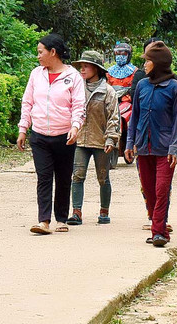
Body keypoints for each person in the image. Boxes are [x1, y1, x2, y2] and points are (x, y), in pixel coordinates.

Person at [17, 33, 85, 235]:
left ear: (53, 52)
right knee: (44, 177)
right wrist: (23, 128)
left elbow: (79, 105)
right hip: (39, 136)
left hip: (64, 136)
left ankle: (61, 218)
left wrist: (75, 127)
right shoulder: (36, 74)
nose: (38, 56)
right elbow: (27, 102)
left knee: (63, 178)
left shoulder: (73, 77)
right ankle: (43, 221)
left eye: (40, 52)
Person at [124, 41, 177, 248]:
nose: (144, 66)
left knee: (161, 190)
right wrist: (129, 143)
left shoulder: (175, 88)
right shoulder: (141, 85)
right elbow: (135, 117)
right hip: (143, 147)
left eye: (148, 61)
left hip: (165, 149)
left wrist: (174, 146)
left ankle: (158, 232)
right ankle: (157, 222)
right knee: (149, 191)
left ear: (157, 63)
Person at [67, 50, 119, 226]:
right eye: (81, 66)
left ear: (96, 68)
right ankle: (76, 212)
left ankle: (104, 211)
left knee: (103, 178)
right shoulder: (76, 88)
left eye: (86, 66)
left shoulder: (108, 91)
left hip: (101, 141)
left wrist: (111, 139)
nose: (82, 69)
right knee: (77, 176)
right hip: (80, 140)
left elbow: (114, 117)